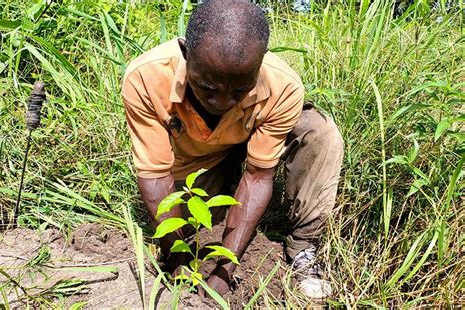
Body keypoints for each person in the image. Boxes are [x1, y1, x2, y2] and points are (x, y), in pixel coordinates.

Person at [122, 0, 343, 299]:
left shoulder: (283, 85)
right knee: (188, 226)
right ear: (186, 54)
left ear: (261, 62)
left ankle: (303, 245)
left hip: (254, 136)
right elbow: (156, 174)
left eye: (240, 90)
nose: (224, 102)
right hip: (200, 159)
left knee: (320, 131)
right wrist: (178, 255)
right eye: (207, 88)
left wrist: (226, 269)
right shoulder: (146, 78)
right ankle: (222, 185)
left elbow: (258, 176)